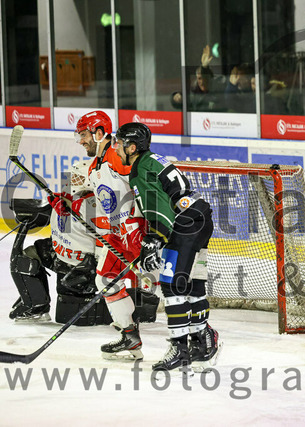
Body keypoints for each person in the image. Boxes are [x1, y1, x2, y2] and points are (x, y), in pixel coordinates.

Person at [113, 122, 220, 373]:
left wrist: (154, 239)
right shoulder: (152, 160)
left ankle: (180, 349)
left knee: (173, 285)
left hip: (185, 225)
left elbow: (159, 208)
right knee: (193, 284)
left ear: (131, 147)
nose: (116, 147)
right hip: (200, 217)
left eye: (119, 143)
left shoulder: (140, 169)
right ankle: (202, 343)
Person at [74, 111, 149, 359]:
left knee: (168, 287)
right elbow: (104, 200)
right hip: (118, 236)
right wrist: (67, 203)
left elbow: (145, 186)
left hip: (138, 233)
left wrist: (140, 224)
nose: (81, 141)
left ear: (99, 133)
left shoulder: (116, 156)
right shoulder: (95, 165)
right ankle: (129, 336)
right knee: (105, 280)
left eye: (84, 135)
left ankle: (197, 336)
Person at [8, 160, 106, 325]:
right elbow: (63, 227)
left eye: (78, 178)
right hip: (61, 255)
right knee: (25, 257)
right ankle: (36, 304)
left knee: (67, 308)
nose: (73, 180)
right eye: (73, 177)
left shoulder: (96, 206)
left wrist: (94, 268)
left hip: (79, 265)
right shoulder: (66, 198)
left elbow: (105, 242)